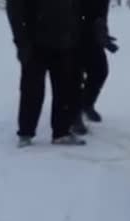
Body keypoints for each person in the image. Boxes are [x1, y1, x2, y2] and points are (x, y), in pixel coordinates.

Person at [6, 0, 86, 147]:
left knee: (64, 90)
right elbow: (14, 10)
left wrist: (75, 36)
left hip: (64, 43)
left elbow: (75, 8)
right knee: (32, 90)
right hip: (34, 44)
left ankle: (61, 132)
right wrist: (21, 42)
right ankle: (26, 132)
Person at [72, 0, 119, 135]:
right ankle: (74, 115)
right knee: (75, 76)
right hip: (71, 34)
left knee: (100, 71)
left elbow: (100, 14)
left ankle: (86, 103)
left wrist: (103, 35)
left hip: (92, 35)